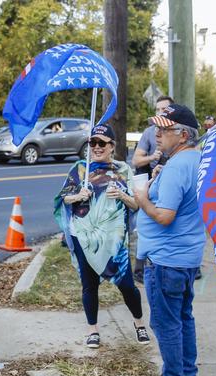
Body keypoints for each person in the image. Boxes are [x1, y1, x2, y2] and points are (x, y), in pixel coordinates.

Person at [134, 104, 206, 376]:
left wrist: (141, 198)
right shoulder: (193, 160)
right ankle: (187, 371)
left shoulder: (177, 166)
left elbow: (165, 216)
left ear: (184, 135)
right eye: (157, 129)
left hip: (167, 257)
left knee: (165, 322)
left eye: (165, 130)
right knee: (182, 315)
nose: (157, 134)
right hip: (185, 255)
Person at [54, 124, 148, 349]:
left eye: (101, 143)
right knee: (89, 285)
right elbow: (62, 199)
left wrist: (123, 195)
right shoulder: (79, 168)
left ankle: (139, 324)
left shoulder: (124, 170)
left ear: (112, 146)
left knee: (127, 285)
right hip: (83, 236)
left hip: (114, 240)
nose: (96, 147)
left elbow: (136, 205)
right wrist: (77, 195)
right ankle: (92, 330)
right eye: (92, 143)